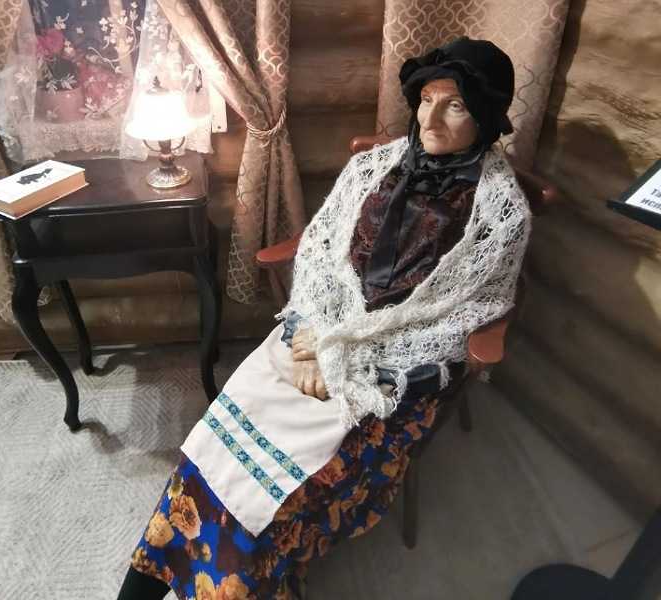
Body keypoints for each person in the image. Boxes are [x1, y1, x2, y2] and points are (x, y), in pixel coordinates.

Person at [117, 37, 531, 600]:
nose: (430, 119)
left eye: (454, 105)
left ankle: (241, 584)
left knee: (278, 499)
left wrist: (352, 363)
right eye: (426, 99)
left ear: (485, 114)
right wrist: (311, 340)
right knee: (209, 451)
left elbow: (463, 316)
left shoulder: (501, 214)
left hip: (390, 379)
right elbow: (318, 255)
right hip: (311, 333)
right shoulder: (371, 167)